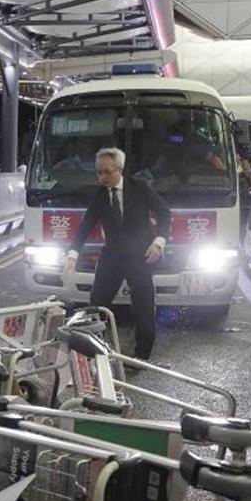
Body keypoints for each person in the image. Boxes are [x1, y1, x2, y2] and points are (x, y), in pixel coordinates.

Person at [63, 147, 171, 360]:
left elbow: (165, 213)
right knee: (96, 306)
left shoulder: (140, 188)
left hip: (140, 256)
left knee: (144, 308)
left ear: (119, 170)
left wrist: (159, 243)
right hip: (111, 257)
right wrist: (72, 254)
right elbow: (86, 225)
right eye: (99, 172)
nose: (102, 177)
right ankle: (97, 352)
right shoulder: (100, 195)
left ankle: (142, 356)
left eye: (107, 172)